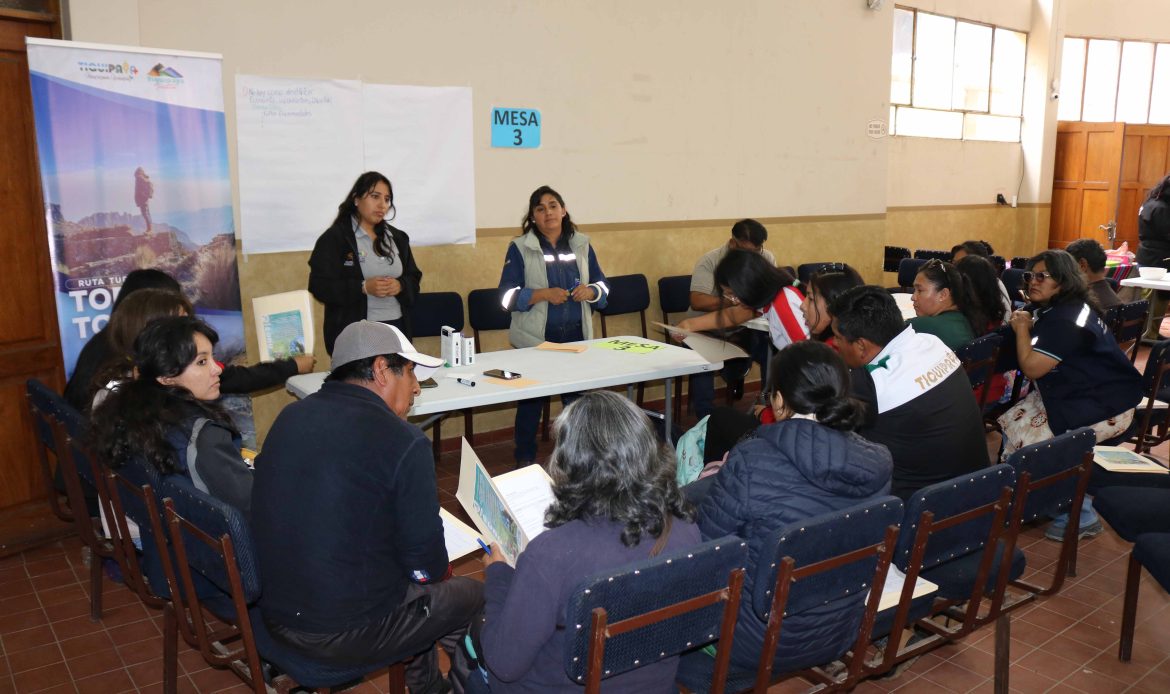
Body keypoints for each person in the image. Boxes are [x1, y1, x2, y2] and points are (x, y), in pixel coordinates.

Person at [252, 321, 482, 694]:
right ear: (380, 369)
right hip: (337, 634)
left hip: (275, 616)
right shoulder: (404, 441)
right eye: (410, 372)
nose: (416, 387)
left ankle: (428, 686)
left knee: (412, 588)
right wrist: (432, 569)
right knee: (472, 596)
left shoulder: (290, 416)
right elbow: (427, 567)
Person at [678, 341, 892, 686]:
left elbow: (706, 550)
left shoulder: (753, 459)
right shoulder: (878, 461)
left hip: (756, 641)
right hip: (841, 628)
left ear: (778, 400)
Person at [475, 391, 700, 693]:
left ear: (572, 463)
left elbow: (504, 664)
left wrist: (498, 576)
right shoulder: (684, 528)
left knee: (474, 645)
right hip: (654, 685)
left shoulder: (551, 555)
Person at [996, 250, 1142, 539]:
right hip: (1083, 393)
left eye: (1042, 276)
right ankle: (1037, 500)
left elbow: (1033, 368)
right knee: (1012, 422)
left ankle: (1079, 513)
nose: (1033, 281)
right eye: (1030, 276)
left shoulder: (1066, 319)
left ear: (1063, 281)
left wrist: (1022, 328)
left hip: (1106, 406)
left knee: (1031, 447)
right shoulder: (1061, 307)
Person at [64, 268, 313, 412]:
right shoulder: (139, 387)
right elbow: (233, 378)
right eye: (180, 324)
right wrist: (292, 365)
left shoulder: (109, 347)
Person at [830, 286, 988, 500]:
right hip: (979, 491)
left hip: (921, 508)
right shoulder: (932, 343)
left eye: (837, 337)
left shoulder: (872, 382)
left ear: (860, 345)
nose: (835, 344)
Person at [89, 316, 253, 517]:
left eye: (213, 357)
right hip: (214, 535)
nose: (218, 368)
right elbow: (251, 505)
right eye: (202, 362)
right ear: (166, 378)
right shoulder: (206, 436)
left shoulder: (129, 412)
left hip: (157, 528)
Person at [498, 185, 610, 465]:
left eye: (553, 206)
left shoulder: (582, 244)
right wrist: (541, 294)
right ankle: (524, 457)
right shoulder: (520, 247)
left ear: (564, 211)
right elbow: (505, 297)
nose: (548, 212)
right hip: (536, 340)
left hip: (576, 338)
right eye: (540, 208)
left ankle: (578, 459)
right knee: (531, 402)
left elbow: (603, 286)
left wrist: (592, 291)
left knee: (577, 404)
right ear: (532, 217)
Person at [309, 171, 423, 354]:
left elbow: (414, 277)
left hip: (397, 327)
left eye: (387, 199)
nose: (382, 205)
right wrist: (362, 287)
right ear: (356, 199)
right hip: (357, 332)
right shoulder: (335, 238)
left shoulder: (397, 237)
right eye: (375, 196)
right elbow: (319, 286)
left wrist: (401, 285)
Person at [685, 219, 777, 414]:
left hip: (746, 328)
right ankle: (706, 417)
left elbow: (769, 297)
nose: (753, 257)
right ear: (733, 244)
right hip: (708, 329)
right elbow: (697, 301)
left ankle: (768, 405)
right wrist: (733, 301)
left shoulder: (766, 258)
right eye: (747, 252)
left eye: (757, 251)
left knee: (772, 349)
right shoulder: (711, 261)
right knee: (702, 355)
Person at [676, 249, 809, 351]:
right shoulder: (768, 298)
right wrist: (689, 325)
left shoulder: (782, 303)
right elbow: (732, 314)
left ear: (748, 285)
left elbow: (810, 357)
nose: (734, 301)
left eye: (734, 294)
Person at [907, 259, 977, 350]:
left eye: (920, 290)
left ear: (943, 295)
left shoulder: (920, 326)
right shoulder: (966, 320)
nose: (913, 297)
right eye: (914, 290)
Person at [1137, 174, 1170, 339]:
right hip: (1156, 257)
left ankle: (1152, 332)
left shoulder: (1150, 203)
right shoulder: (1162, 208)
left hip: (1149, 255)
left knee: (1158, 296)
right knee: (1155, 298)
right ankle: (1147, 333)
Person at [1067, 238, 1124, 311]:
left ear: (1082, 264)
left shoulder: (1081, 303)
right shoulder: (1113, 299)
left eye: (1069, 265)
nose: (1066, 271)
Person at [134, 167, 153, 233]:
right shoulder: (142, 178)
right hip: (144, 199)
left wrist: (143, 194)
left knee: (145, 214)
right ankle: (150, 229)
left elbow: (148, 184)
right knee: (146, 213)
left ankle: (149, 229)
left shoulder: (139, 178)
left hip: (142, 199)